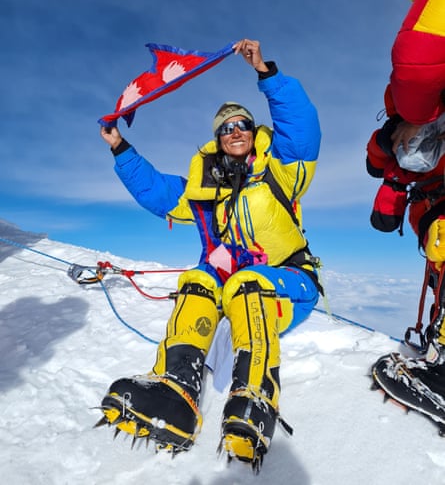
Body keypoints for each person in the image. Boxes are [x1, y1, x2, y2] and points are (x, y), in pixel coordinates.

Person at [96, 39, 322, 469]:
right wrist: (119, 147)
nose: (235, 130)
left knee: (242, 282)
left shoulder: (281, 170)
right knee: (199, 280)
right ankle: (175, 390)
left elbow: (302, 130)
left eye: (242, 124)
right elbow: (160, 192)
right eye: (226, 127)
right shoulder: (209, 191)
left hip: (290, 285)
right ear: (217, 140)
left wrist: (267, 75)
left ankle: (253, 397)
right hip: (238, 288)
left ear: (252, 133)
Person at [368, 0, 445, 431]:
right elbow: (380, 161)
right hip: (433, 204)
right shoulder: (407, 107)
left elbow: (418, 59)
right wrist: (388, 136)